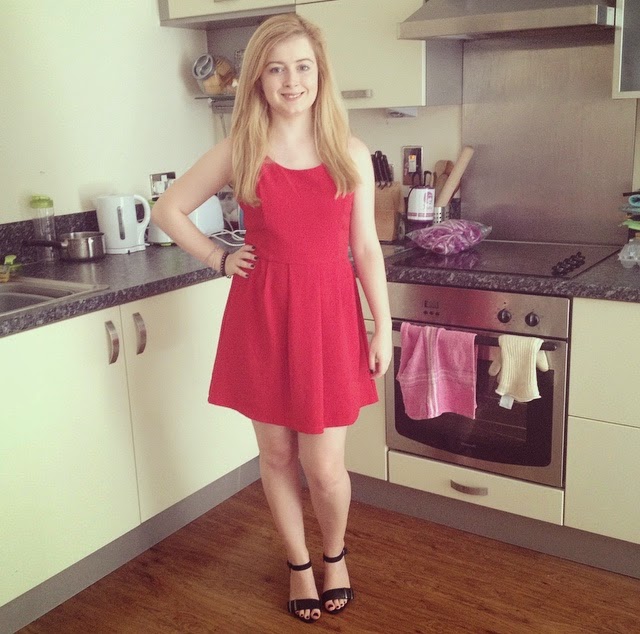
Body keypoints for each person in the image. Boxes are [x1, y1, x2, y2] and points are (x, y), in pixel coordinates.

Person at [151, 12, 391, 624]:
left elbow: (366, 248)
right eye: (277, 69)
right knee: (279, 456)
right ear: (258, 79)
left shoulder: (351, 152)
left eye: (303, 67)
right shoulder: (242, 150)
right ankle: (298, 564)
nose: (292, 81)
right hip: (262, 315)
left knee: (325, 467)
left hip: (329, 318)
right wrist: (217, 257)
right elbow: (168, 209)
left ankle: (334, 554)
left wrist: (382, 326)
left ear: (320, 74)